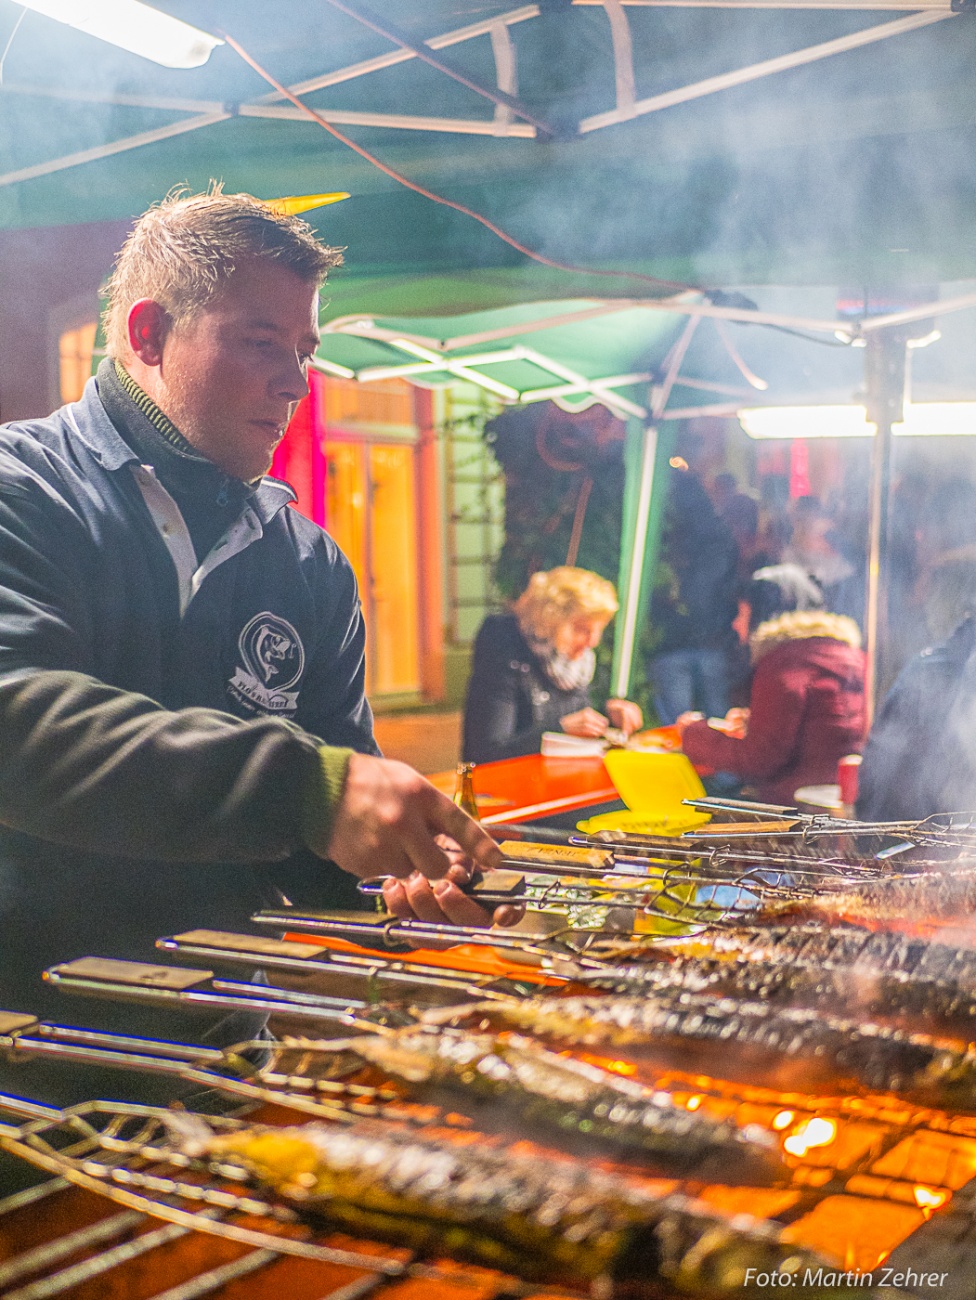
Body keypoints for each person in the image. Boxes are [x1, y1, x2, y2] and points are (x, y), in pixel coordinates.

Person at [0, 189, 505, 1101]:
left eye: (305, 351)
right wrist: (302, 787)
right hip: (23, 1044)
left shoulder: (308, 565)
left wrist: (399, 875)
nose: (296, 384)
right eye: (261, 342)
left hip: (221, 1045)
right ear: (149, 334)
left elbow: (327, 825)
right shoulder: (22, 493)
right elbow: (16, 723)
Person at [677, 564, 865, 806]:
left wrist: (694, 734)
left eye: (742, 613)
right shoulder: (845, 653)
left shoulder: (784, 661)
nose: (736, 624)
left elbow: (759, 759)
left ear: (763, 614)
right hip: (841, 799)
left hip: (796, 810)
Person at [462, 567, 642, 764]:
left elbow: (575, 712)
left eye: (598, 630)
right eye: (583, 629)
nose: (593, 642)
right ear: (551, 621)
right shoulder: (503, 649)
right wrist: (559, 730)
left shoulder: (572, 661)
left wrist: (609, 711)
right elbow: (487, 751)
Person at [858, 547, 976, 822]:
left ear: (959, 606)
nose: (925, 608)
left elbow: (882, 770)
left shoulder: (931, 670)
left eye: (933, 597)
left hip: (923, 838)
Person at [646, 468, 739, 724]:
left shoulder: (662, 535)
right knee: (717, 722)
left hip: (680, 640)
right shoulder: (718, 537)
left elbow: (705, 591)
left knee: (680, 725)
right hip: (705, 640)